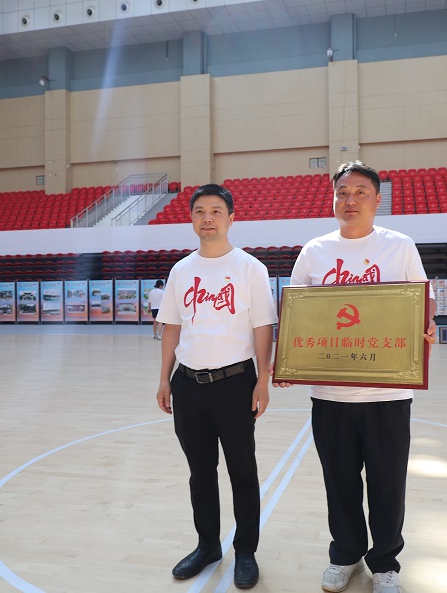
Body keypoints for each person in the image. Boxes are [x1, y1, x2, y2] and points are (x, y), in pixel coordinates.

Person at [277, 161, 437, 593]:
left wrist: (427, 323)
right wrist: (287, 359)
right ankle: (346, 555)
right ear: (333, 199)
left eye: (361, 192)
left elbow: (424, 300)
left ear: (377, 199)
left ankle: (385, 563)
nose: (351, 200)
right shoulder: (314, 251)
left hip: (387, 393)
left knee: (388, 485)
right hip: (329, 393)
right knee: (340, 483)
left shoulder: (399, 246)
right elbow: (296, 313)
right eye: (343, 192)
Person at [155, 183, 278, 589]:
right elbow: (172, 327)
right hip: (188, 384)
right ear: (191, 218)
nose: (207, 218)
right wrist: (165, 379)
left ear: (230, 218)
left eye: (216, 211)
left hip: (235, 383)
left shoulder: (249, 268)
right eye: (199, 212)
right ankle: (207, 545)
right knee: (200, 473)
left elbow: (263, 328)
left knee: (242, 471)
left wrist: (262, 379)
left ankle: (246, 550)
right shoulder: (181, 270)